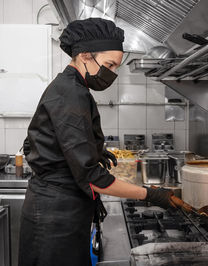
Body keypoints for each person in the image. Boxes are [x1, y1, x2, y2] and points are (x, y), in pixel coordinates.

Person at [18, 18, 176, 266]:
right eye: (109, 65)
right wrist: (150, 194)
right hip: (54, 218)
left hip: (64, 210)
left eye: (116, 68)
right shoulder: (70, 94)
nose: (111, 74)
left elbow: (52, 141)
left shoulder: (73, 88)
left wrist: (93, 150)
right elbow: (91, 177)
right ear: (84, 56)